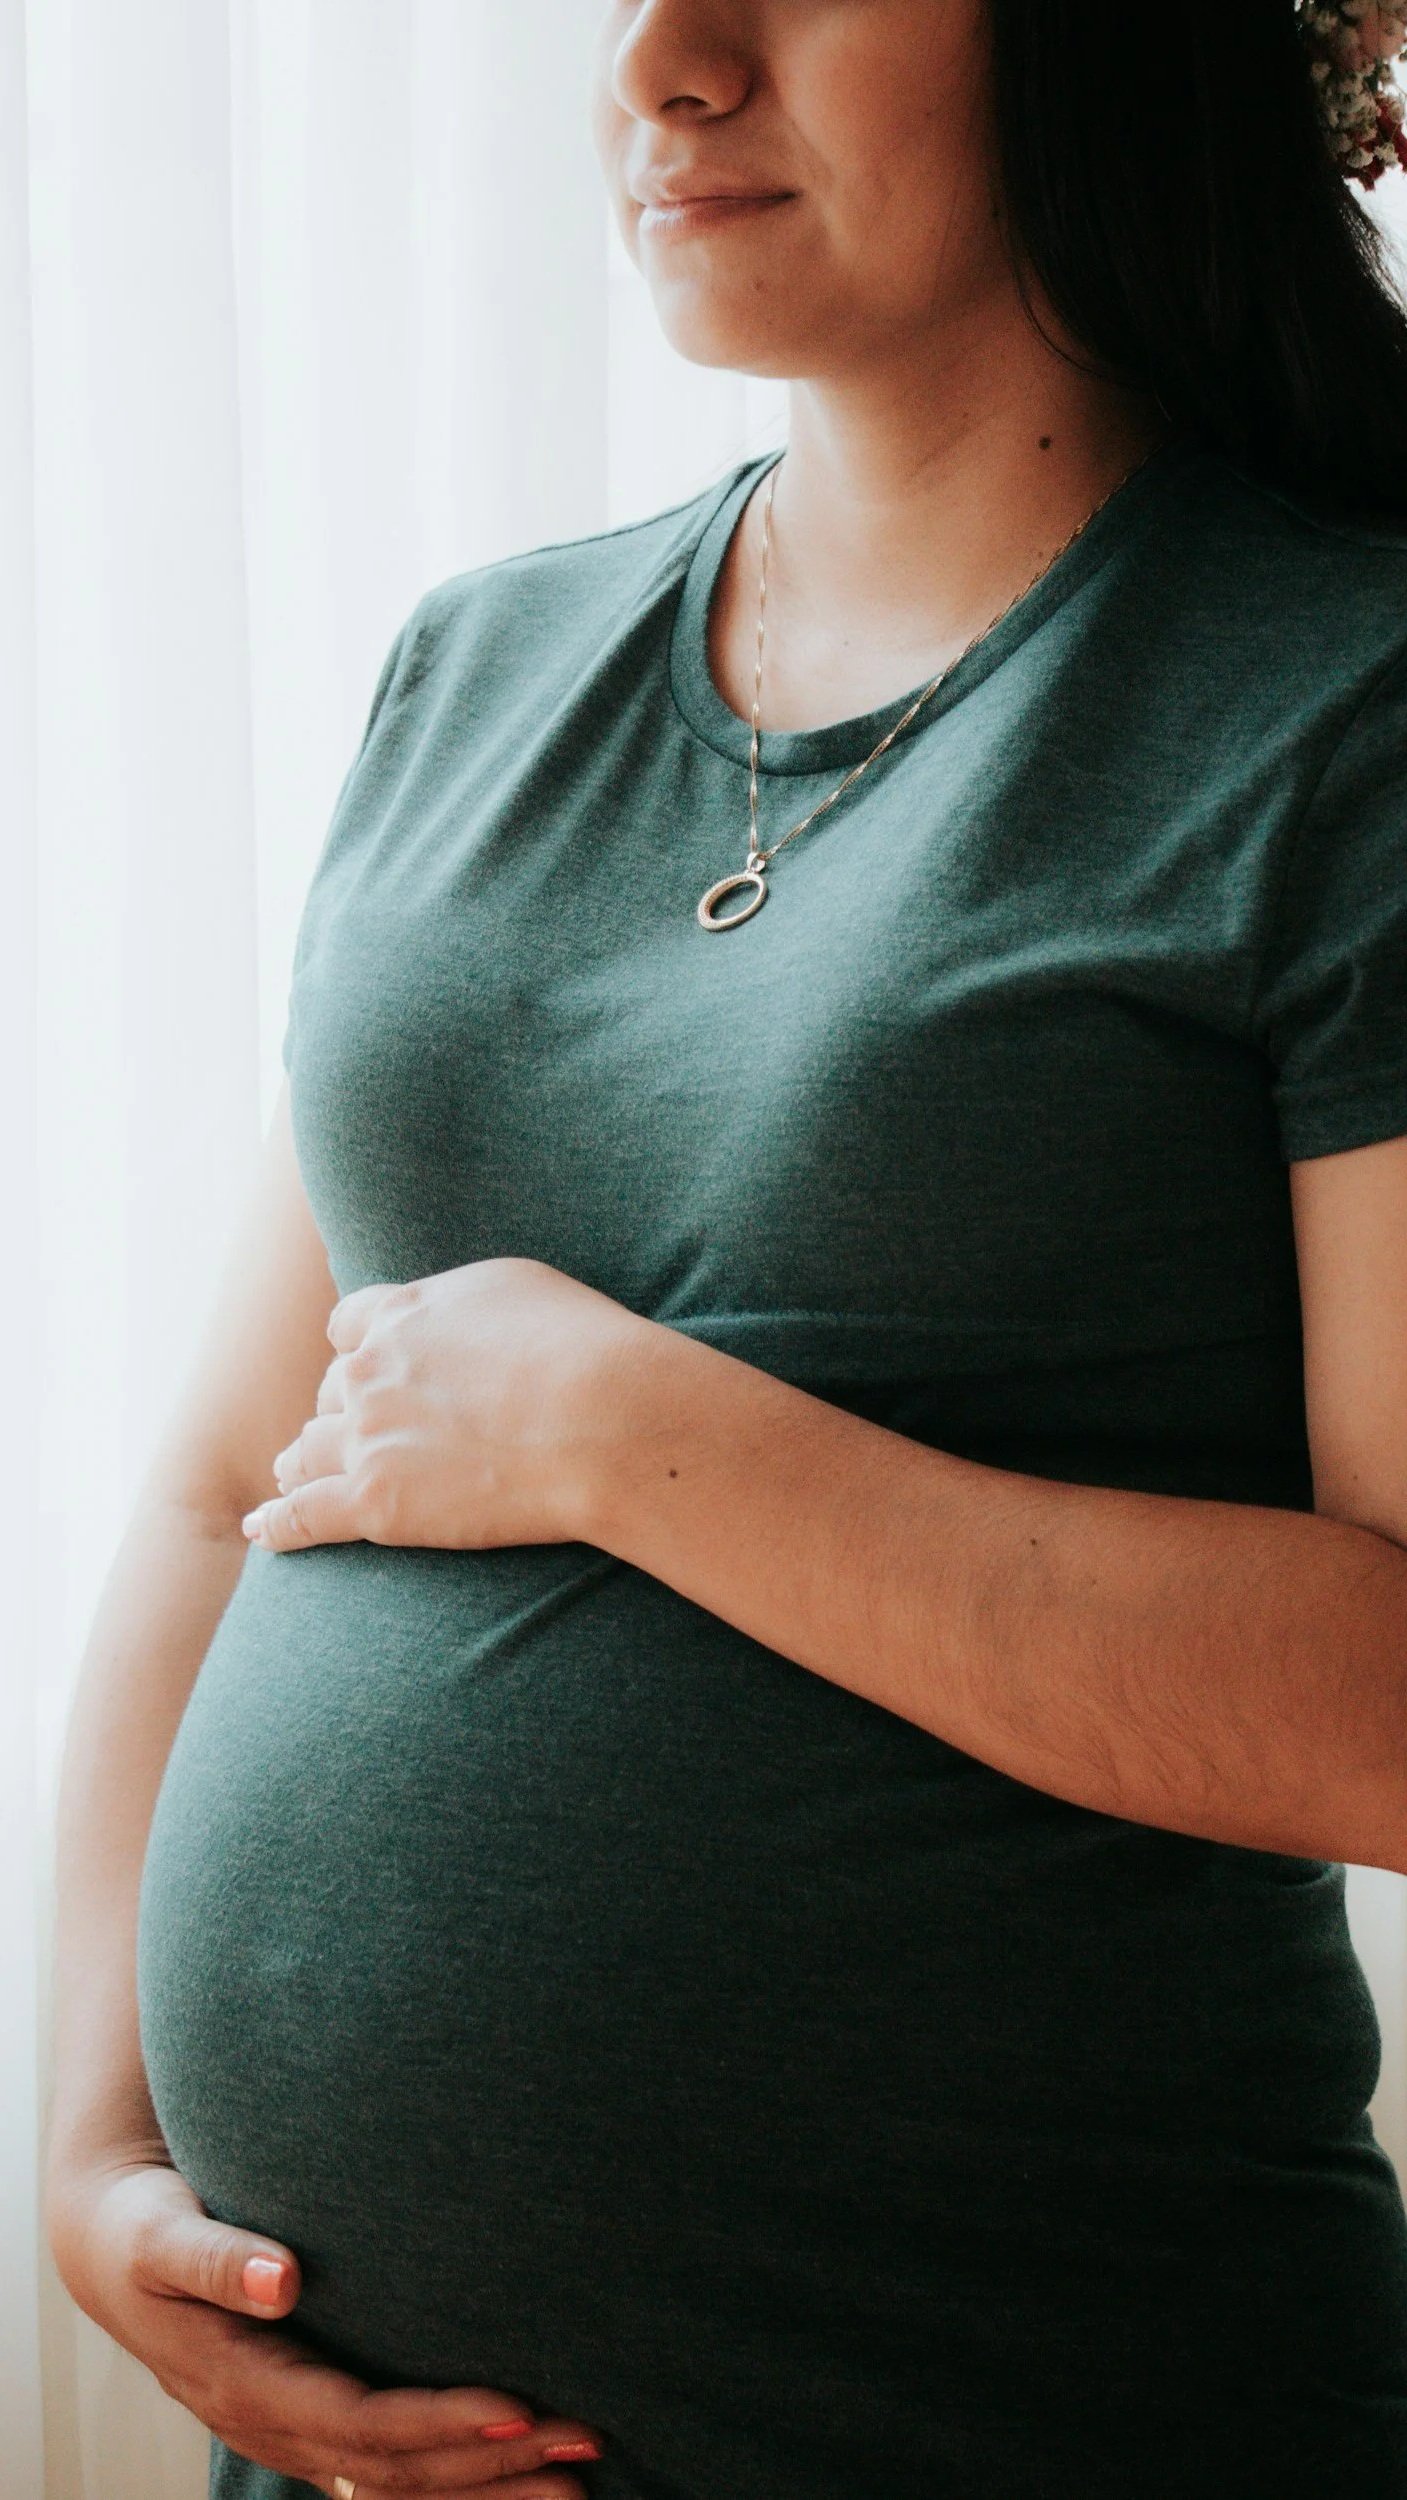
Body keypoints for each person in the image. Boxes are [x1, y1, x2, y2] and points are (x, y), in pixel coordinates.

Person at [44, 3, 1407, 2495]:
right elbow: (215, 1478)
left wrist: (633, 1436)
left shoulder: (1345, 707)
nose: (662, 61)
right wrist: (92, 2131)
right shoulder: (477, 668)